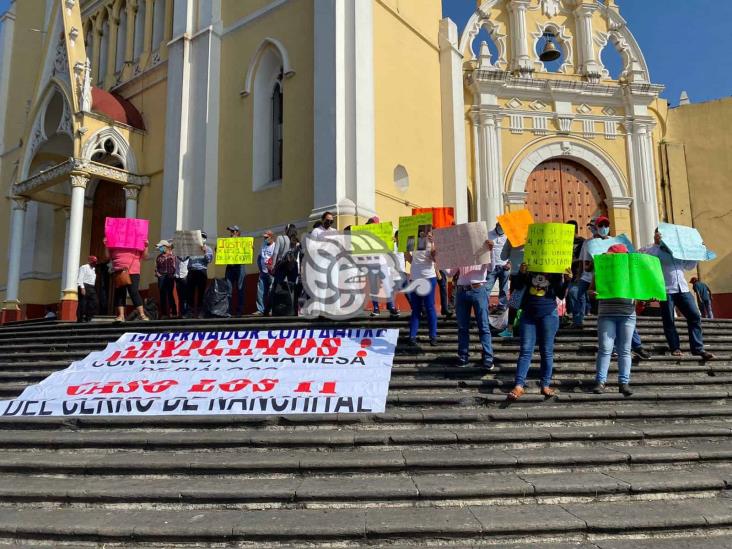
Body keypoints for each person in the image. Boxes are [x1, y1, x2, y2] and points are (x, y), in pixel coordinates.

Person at [641, 228, 715, 361]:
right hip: (666, 290)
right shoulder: (655, 250)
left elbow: (688, 266)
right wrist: (657, 243)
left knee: (694, 315)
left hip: (683, 288)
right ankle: (675, 348)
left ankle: (698, 348)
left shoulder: (678, 250)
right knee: (669, 320)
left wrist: (698, 252)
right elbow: (646, 258)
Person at [508, 263, 572, 401]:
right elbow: (517, 287)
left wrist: (567, 281)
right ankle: (519, 385)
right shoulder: (528, 265)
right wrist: (521, 273)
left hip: (549, 314)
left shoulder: (555, 269)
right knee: (525, 350)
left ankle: (545, 384)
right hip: (528, 314)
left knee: (546, 351)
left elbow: (560, 295)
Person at [593, 244, 635, 396]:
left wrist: (649, 296)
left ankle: (624, 383)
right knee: (605, 348)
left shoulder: (632, 271)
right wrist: (594, 292)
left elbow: (641, 289)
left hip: (627, 314)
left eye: (613, 255)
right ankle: (600, 381)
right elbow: (591, 289)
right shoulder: (601, 269)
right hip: (606, 313)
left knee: (624, 350)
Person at [447, 241, 496, 369]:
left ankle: (488, 358)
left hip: (478, 289)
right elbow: (450, 273)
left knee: (483, 325)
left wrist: (490, 251)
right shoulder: (460, 254)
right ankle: (463, 356)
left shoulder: (483, 250)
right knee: (462, 327)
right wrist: (438, 258)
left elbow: (492, 267)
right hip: (462, 290)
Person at [570, 217, 610, 329]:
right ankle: (577, 321)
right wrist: (579, 275)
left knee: (602, 300)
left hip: (603, 278)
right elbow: (583, 261)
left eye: (606, 226)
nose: (604, 228)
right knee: (578, 295)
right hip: (587, 277)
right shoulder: (588, 243)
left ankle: (603, 323)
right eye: (601, 226)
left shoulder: (613, 241)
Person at [104, 238, 150, 323]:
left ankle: (142, 314)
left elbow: (145, 256)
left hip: (133, 270)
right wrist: (106, 245)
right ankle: (121, 316)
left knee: (133, 291)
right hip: (118, 270)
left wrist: (146, 246)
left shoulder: (135, 239)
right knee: (120, 293)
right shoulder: (115, 239)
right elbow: (107, 256)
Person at [405, 229, 438, 347]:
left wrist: (433, 243)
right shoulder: (412, 240)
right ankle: (412, 336)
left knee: (429, 307)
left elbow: (435, 259)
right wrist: (405, 248)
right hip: (415, 278)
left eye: (429, 230)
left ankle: (433, 336)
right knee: (416, 308)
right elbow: (409, 259)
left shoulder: (432, 241)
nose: (426, 232)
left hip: (429, 278)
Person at [364, 216, 400, 318]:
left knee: (387, 285)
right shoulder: (364, 232)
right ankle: (376, 308)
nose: (374, 225)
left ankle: (392, 307)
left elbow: (389, 246)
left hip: (382, 262)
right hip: (370, 263)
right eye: (372, 223)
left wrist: (391, 240)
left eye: (376, 223)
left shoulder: (382, 231)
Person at [187, 231, 213, 318]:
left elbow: (209, 260)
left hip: (202, 271)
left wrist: (205, 252)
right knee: (190, 292)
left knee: (201, 292)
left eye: (202, 237)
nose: (200, 239)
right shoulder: (192, 249)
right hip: (192, 271)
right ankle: (190, 312)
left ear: (205, 239)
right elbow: (183, 258)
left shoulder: (208, 249)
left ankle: (200, 312)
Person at [486, 222, 510, 313]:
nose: (502, 229)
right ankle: (485, 306)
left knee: (504, 289)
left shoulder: (508, 236)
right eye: (501, 227)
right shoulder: (488, 234)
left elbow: (511, 251)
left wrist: (509, 263)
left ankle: (502, 306)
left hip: (504, 266)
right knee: (487, 288)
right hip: (492, 267)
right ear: (497, 226)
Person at [564, 220, 585, 322]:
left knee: (575, 293)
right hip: (567, 272)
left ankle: (579, 318)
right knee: (572, 294)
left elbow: (583, 258)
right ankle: (576, 316)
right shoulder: (564, 241)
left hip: (578, 272)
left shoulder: (582, 242)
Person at [224, 225, 246, 317]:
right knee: (228, 289)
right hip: (230, 267)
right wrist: (218, 250)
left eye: (233, 232)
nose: (231, 234)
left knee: (240, 289)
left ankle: (239, 311)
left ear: (237, 232)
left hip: (240, 267)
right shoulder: (227, 243)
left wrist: (250, 249)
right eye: (230, 232)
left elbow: (247, 253)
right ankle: (228, 310)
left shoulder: (244, 242)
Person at [254, 230, 276, 316]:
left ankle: (270, 309)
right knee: (261, 291)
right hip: (263, 272)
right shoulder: (263, 245)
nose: (265, 239)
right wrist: (260, 267)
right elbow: (260, 257)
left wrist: (273, 268)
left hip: (271, 273)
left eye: (266, 237)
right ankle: (260, 310)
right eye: (264, 237)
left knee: (271, 291)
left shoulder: (275, 246)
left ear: (271, 237)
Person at [154, 240, 177, 319]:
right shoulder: (159, 257)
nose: (160, 248)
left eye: (161, 247)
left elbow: (176, 267)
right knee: (162, 295)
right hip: (162, 277)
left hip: (170, 277)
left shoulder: (173, 256)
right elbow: (156, 268)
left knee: (170, 294)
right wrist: (158, 275)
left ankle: (173, 312)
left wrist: (173, 274)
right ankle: (164, 314)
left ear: (165, 247)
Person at [76, 255, 98, 323]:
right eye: (93, 262)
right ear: (89, 261)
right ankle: (80, 318)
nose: (95, 263)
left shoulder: (94, 269)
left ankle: (88, 317)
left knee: (94, 302)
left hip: (91, 287)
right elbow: (80, 278)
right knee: (83, 303)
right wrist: (82, 288)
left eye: (95, 262)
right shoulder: (84, 267)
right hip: (84, 286)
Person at [174, 253, 190, 318]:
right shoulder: (175, 254)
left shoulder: (188, 255)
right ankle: (181, 313)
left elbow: (184, 259)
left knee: (186, 296)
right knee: (180, 296)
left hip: (185, 276)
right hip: (178, 277)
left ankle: (186, 313)